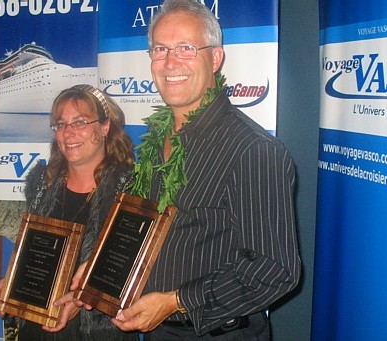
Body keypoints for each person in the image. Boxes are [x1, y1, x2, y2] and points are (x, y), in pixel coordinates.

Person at [108, 1, 302, 339]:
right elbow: (156, 233)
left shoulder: (252, 150)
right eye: (160, 49)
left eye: (186, 48)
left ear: (215, 58)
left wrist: (176, 301)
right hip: (158, 330)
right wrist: (98, 273)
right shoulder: (158, 139)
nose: (170, 62)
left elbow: (275, 271)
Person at [0, 84, 138, 340]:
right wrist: (15, 283)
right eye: (61, 124)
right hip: (39, 327)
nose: (68, 133)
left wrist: (80, 299)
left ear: (105, 127)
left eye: (80, 122)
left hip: (98, 330)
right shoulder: (42, 185)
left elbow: (129, 268)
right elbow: (33, 253)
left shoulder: (130, 188)